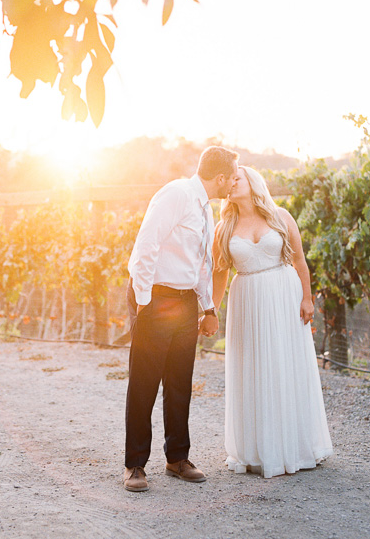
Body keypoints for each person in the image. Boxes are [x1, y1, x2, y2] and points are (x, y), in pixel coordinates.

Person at [124, 146, 239, 492]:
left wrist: (207, 308)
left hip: (186, 304)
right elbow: (145, 247)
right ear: (220, 177)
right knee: (144, 384)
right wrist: (143, 302)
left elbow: (201, 265)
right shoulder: (176, 194)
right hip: (155, 299)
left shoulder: (205, 208)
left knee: (179, 384)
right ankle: (134, 465)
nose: (234, 182)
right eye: (233, 176)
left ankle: (177, 459)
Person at [211, 166, 333, 478]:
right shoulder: (224, 226)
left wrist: (307, 298)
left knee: (285, 365)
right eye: (230, 179)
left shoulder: (280, 216)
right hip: (247, 299)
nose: (231, 182)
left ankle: (296, 446)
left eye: (237, 177)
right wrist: (210, 310)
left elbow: (299, 260)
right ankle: (257, 450)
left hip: (283, 294)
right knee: (254, 368)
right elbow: (220, 273)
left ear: (253, 182)